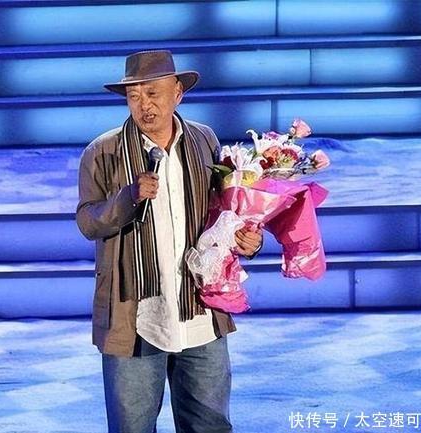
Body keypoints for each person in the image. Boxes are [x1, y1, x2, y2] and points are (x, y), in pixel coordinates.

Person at [76, 50, 263, 433]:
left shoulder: (204, 141)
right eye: (134, 96)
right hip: (136, 315)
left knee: (210, 425)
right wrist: (128, 197)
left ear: (177, 93)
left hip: (200, 310)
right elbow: (88, 222)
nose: (144, 105)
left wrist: (247, 239)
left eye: (153, 93)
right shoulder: (103, 152)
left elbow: (223, 213)